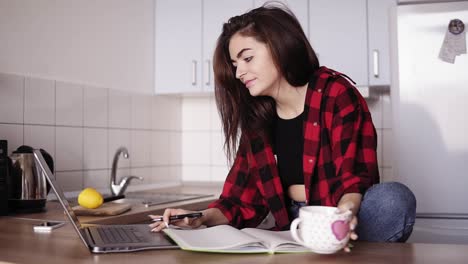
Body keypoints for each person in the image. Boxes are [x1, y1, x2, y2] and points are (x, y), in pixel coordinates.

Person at [149, 4, 416, 252]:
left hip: (339, 213)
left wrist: (342, 219)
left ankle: (339, 246)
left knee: (392, 199)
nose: (239, 72)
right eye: (234, 65)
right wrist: (198, 218)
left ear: (279, 46)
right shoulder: (258, 119)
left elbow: (353, 178)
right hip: (293, 224)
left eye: (247, 58)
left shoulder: (335, 92)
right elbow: (240, 201)